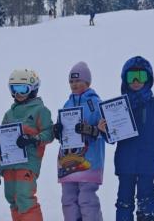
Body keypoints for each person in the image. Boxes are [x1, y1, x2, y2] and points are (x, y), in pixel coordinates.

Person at [98, 56, 154, 221]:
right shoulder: (118, 107)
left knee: (146, 200)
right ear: (125, 79)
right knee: (124, 202)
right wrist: (105, 130)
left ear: (148, 79)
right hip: (125, 163)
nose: (135, 81)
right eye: (131, 76)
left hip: (148, 164)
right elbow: (112, 138)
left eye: (140, 76)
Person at [0, 69, 54, 221]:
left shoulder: (40, 110)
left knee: (24, 197)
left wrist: (33, 139)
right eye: (14, 89)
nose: (18, 93)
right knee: (11, 197)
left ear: (33, 89)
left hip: (27, 162)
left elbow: (49, 133)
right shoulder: (9, 114)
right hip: (8, 163)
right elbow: (2, 140)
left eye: (22, 89)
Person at [54, 62, 105, 221]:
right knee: (68, 199)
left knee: (86, 198)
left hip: (89, 160)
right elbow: (63, 130)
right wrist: (58, 130)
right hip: (67, 160)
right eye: (71, 81)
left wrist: (91, 130)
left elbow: (106, 131)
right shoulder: (67, 103)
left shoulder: (95, 103)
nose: (74, 84)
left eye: (78, 81)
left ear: (87, 82)